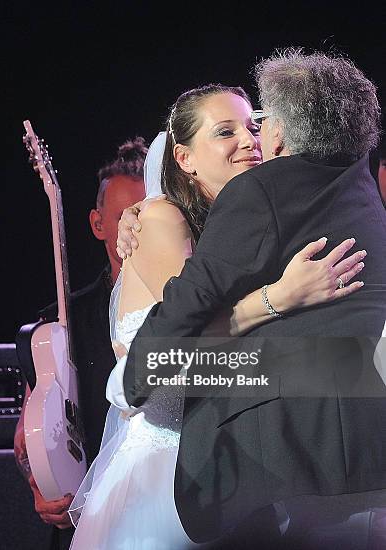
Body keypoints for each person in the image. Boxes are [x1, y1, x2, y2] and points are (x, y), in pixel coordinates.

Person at [68, 83, 367, 549]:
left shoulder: (246, 224)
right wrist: (279, 298)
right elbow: (181, 338)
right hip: (172, 471)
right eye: (225, 131)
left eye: (253, 126)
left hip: (240, 461)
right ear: (183, 158)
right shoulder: (163, 219)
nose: (249, 140)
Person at [14, 138, 147, 549]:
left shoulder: (193, 310)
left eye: (148, 213)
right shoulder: (60, 323)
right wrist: (41, 482)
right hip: (87, 523)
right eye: (124, 215)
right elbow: (29, 434)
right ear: (97, 224)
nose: (135, 227)